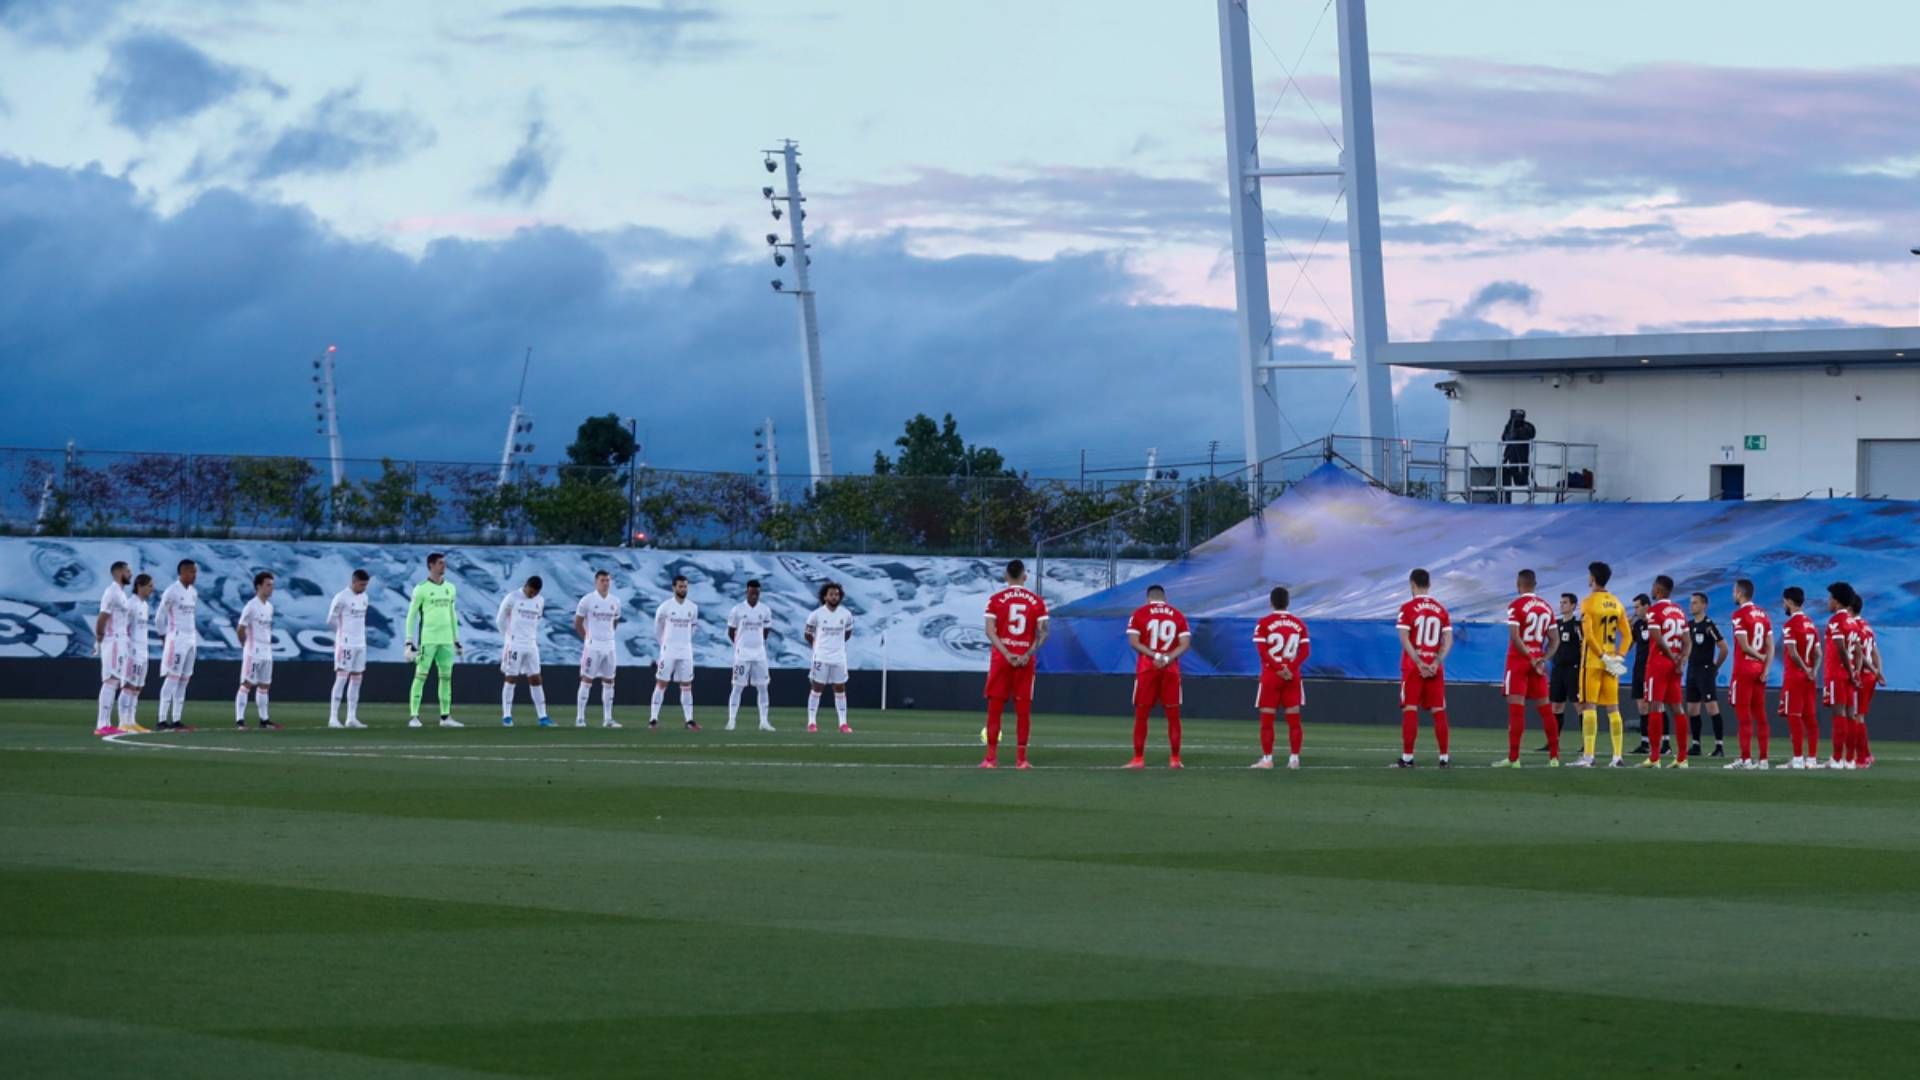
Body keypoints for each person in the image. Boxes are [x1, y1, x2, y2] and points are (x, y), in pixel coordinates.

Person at [981, 560, 1047, 768]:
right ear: (1025, 576)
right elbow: (1043, 633)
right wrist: (1027, 653)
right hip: (1025, 661)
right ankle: (1021, 759)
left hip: (1002, 660)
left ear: (1005, 575)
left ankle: (991, 758)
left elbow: (990, 631)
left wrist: (1007, 653)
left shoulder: (995, 600)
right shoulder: (1037, 601)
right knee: (1023, 711)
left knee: (994, 709)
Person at [1495, 569, 1559, 767]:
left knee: (1516, 711)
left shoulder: (1516, 606)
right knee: (1546, 710)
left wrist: (1530, 657)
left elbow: (1515, 636)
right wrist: (1542, 659)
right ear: (1535, 584)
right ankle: (1554, 757)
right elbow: (1554, 640)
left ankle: (1514, 759)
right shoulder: (1547, 608)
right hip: (1538, 663)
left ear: (1518, 584)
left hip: (1518, 661)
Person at [1124, 584, 1191, 769]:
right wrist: (1167, 657)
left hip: (1147, 668)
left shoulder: (1140, 613)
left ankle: (1138, 759)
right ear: (1164, 597)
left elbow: (1134, 642)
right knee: (1173, 716)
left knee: (1141, 715)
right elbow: (1185, 643)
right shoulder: (1177, 614)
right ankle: (1175, 759)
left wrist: (1155, 656)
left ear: (1148, 598)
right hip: (1171, 669)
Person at [1394, 568, 1453, 768]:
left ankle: (1408, 758)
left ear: (1412, 584)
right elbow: (1448, 640)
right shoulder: (1441, 609)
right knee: (1438, 710)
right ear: (1429, 584)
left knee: (1410, 708)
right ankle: (1444, 758)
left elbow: (1404, 638)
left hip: (1413, 667)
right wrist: (1436, 662)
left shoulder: (1407, 608)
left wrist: (1419, 663)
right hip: (1435, 668)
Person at [1575, 561, 1630, 768]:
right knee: (1613, 708)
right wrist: (1618, 657)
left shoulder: (1588, 603)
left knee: (1589, 706)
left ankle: (1589, 756)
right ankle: (1617, 756)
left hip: (1592, 661)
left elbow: (1588, 635)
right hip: (1611, 664)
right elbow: (1628, 636)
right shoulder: (1617, 603)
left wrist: (1602, 657)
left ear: (1593, 578)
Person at [1251, 585, 1309, 770]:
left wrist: (1278, 668)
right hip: (1292, 677)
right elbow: (1305, 651)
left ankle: (1267, 759)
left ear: (1271, 602)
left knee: (1267, 720)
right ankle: (1294, 759)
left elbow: (1262, 651)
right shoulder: (1299, 624)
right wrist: (1289, 668)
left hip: (1271, 676)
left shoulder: (1264, 623)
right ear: (1288, 602)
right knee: (1294, 719)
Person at [405, 553, 463, 728]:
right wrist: (409, 641)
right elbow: (411, 615)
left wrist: (456, 639)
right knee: (420, 677)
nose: (443, 566)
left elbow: (452, 615)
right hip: (428, 640)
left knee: (446, 678)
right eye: (440, 563)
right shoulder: (421, 589)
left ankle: (445, 717)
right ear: (431, 565)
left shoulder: (450, 588)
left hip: (446, 641)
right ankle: (414, 716)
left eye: (444, 563)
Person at [1640, 576, 1691, 767]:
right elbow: (1688, 641)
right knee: (1677, 707)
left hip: (1660, 663)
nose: (1652, 589)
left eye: (1653, 586)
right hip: (1675, 666)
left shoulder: (1654, 611)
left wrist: (1671, 657)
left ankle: (1654, 758)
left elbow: (1658, 639)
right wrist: (1682, 659)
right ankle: (1682, 757)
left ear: (1659, 590)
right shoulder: (1679, 611)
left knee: (1655, 706)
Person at [1726, 579, 1774, 769]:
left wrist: (1760, 657)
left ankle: (1745, 758)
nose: (1733, 595)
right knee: (1761, 716)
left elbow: (1745, 646)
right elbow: (1770, 645)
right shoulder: (1763, 615)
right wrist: (1766, 668)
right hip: (1760, 672)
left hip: (1744, 670)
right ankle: (1763, 760)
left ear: (1739, 593)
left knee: (1744, 716)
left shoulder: (1739, 615)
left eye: (1733, 591)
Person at [497, 575, 550, 728]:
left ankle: (543, 716)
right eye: (531, 591)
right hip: (514, 644)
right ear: (526, 586)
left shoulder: (540, 601)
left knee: (536, 678)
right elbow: (500, 620)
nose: (533, 595)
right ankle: (507, 716)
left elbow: (537, 619)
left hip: (531, 644)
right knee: (511, 677)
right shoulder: (512, 597)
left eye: (536, 593)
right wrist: (508, 638)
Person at [805, 581, 857, 735]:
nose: (834, 597)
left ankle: (843, 724)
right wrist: (819, 647)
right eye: (831, 594)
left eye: (837, 594)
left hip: (839, 657)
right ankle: (812, 722)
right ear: (825, 596)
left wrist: (837, 645)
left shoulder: (846, 614)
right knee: (817, 688)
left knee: (840, 688)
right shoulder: (816, 615)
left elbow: (847, 634)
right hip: (821, 656)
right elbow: (808, 635)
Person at [573, 570, 623, 729]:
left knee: (609, 681)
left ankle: (608, 719)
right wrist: (587, 639)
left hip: (609, 645)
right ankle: (580, 718)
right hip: (592, 646)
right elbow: (578, 623)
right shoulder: (587, 600)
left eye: (608, 580)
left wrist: (608, 636)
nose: (606, 583)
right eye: (602, 580)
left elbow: (615, 622)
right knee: (587, 680)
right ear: (596, 582)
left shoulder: (615, 601)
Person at [651, 574, 701, 731]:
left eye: (685, 586)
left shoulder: (692, 608)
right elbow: (657, 629)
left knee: (686, 685)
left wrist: (685, 642)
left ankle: (689, 720)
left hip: (686, 650)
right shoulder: (665, 607)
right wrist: (664, 644)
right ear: (674, 588)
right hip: (669, 650)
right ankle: (653, 719)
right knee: (661, 683)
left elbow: (693, 627)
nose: (683, 589)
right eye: (680, 586)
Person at [154, 559, 199, 731]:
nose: (194, 575)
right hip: (177, 638)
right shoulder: (171, 591)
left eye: (195, 572)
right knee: (172, 678)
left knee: (184, 679)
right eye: (191, 572)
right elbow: (159, 617)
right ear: (182, 572)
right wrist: (164, 636)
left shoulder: (193, 593)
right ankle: (161, 719)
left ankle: (177, 719)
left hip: (191, 639)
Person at [726, 579, 776, 732]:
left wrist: (758, 643)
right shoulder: (737, 610)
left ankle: (764, 721)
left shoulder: (765, 610)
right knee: (737, 687)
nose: (754, 594)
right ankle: (732, 720)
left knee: (763, 687)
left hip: (760, 654)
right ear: (747, 591)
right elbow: (731, 631)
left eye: (757, 592)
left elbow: (766, 631)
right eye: (752, 592)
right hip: (742, 654)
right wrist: (741, 644)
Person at [1778, 587, 1820, 769]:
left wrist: (1804, 668)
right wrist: (1813, 671)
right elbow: (1819, 653)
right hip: (1809, 678)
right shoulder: (1811, 623)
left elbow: (1793, 653)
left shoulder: (1790, 625)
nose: (1783, 605)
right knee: (1810, 718)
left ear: (1788, 601)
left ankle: (1797, 759)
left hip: (1795, 677)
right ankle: (1811, 759)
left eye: (1783, 601)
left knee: (1794, 716)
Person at [1684, 592, 1729, 758]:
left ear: (1704, 605)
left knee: (1711, 708)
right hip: (1692, 670)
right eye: (1691, 603)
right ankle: (1696, 744)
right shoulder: (1688, 625)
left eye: (1695, 603)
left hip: (1705, 671)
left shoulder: (1709, 626)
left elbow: (1724, 647)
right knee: (1692, 709)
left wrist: (1715, 667)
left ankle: (1719, 746)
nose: (1692, 606)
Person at [92, 560, 133, 736]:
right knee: (110, 681)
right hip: (113, 641)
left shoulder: (121, 593)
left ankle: (106, 723)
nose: (130, 574)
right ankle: (102, 724)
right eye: (128, 571)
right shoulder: (112, 593)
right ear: (119, 572)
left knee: (114, 681)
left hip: (120, 641)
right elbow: (103, 616)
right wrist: (100, 638)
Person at [235, 570, 280, 730]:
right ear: (258, 586)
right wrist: (244, 644)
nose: (271, 588)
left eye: (272, 585)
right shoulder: (251, 606)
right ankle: (240, 720)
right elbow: (240, 628)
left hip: (267, 651)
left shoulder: (269, 607)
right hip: (253, 651)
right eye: (268, 585)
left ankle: (264, 719)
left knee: (264, 686)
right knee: (247, 684)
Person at [327, 569, 372, 729]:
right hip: (345, 643)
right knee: (341, 678)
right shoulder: (341, 598)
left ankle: (351, 717)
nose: (364, 588)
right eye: (361, 584)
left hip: (360, 643)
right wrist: (341, 636)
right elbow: (331, 620)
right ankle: (333, 717)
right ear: (353, 582)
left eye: (366, 585)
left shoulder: (365, 597)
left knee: (357, 679)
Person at [1820, 582, 1858, 770]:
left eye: (1830, 598)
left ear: (1836, 601)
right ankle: (1849, 759)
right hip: (1849, 675)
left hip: (1837, 673)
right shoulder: (1852, 621)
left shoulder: (1836, 621)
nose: (1828, 602)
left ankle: (1836, 759)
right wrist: (1855, 673)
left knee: (1839, 714)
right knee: (1850, 714)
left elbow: (1841, 648)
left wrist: (1850, 671)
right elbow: (1858, 650)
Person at [1540, 593, 1582, 752]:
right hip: (1558, 669)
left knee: (1579, 706)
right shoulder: (1556, 624)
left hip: (1573, 669)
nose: (1562, 605)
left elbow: (1583, 646)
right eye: (1561, 602)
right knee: (1556, 706)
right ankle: (1553, 742)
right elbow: (1549, 643)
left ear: (1573, 605)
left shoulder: (1578, 625)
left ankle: (1587, 742)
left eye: (1565, 603)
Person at [115, 573, 155, 733]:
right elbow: (121, 627)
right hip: (131, 651)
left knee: (137, 687)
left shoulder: (144, 606)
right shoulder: (130, 604)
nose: (152, 589)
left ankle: (132, 721)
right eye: (150, 586)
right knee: (128, 686)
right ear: (140, 586)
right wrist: (124, 649)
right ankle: (122, 722)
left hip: (143, 651)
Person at [1848, 594, 1881, 769]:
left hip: (1862, 675)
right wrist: (1878, 671)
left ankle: (1861, 758)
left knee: (1856, 716)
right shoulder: (1867, 626)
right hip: (1871, 677)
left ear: (1850, 608)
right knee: (1859, 715)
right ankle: (1866, 753)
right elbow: (1875, 651)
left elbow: (1861, 654)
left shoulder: (1854, 627)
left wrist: (1874, 670)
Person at [1628, 594, 1661, 755]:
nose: (1636, 610)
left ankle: (1664, 742)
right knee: (1642, 706)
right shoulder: (1638, 625)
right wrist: (1626, 628)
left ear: (1647, 606)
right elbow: (1629, 645)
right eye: (1634, 607)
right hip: (1639, 667)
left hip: (1653, 668)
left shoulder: (1655, 623)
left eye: (1637, 607)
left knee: (1655, 705)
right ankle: (1645, 742)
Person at [1500, 408, 1536, 502]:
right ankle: (1506, 500)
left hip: (1522, 457)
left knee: (1522, 479)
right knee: (1506, 479)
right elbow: (1505, 438)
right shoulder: (1509, 426)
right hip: (1510, 457)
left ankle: (1529, 485)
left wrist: (1520, 429)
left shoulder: (1527, 426)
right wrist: (1512, 426)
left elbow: (1532, 434)